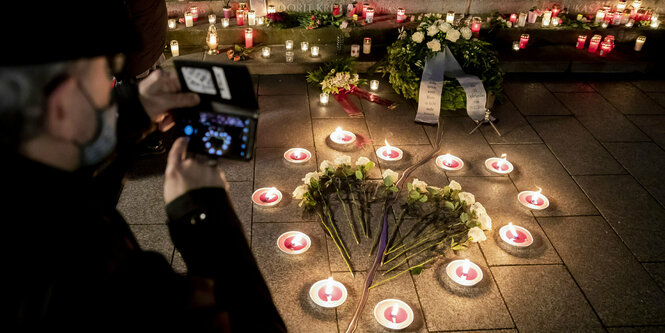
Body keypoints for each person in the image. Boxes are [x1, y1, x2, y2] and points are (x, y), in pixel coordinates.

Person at [1, 1, 285, 331]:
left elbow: (66, 187)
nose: (112, 88)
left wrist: (134, 110)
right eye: (106, 71)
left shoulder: (28, 172)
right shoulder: (104, 288)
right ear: (62, 108)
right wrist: (203, 214)